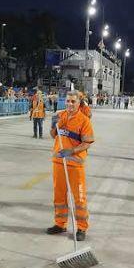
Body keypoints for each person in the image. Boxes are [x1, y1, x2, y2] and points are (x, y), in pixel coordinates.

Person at [47, 91, 95, 241]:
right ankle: (60, 224)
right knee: (59, 196)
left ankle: (81, 228)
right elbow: (54, 135)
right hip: (59, 162)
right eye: (67, 101)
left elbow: (87, 142)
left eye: (73, 101)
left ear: (79, 103)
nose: (69, 104)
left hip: (75, 164)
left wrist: (72, 151)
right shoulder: (60, 115)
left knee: (79, 198)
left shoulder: (84, 121)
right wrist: (53, 125)